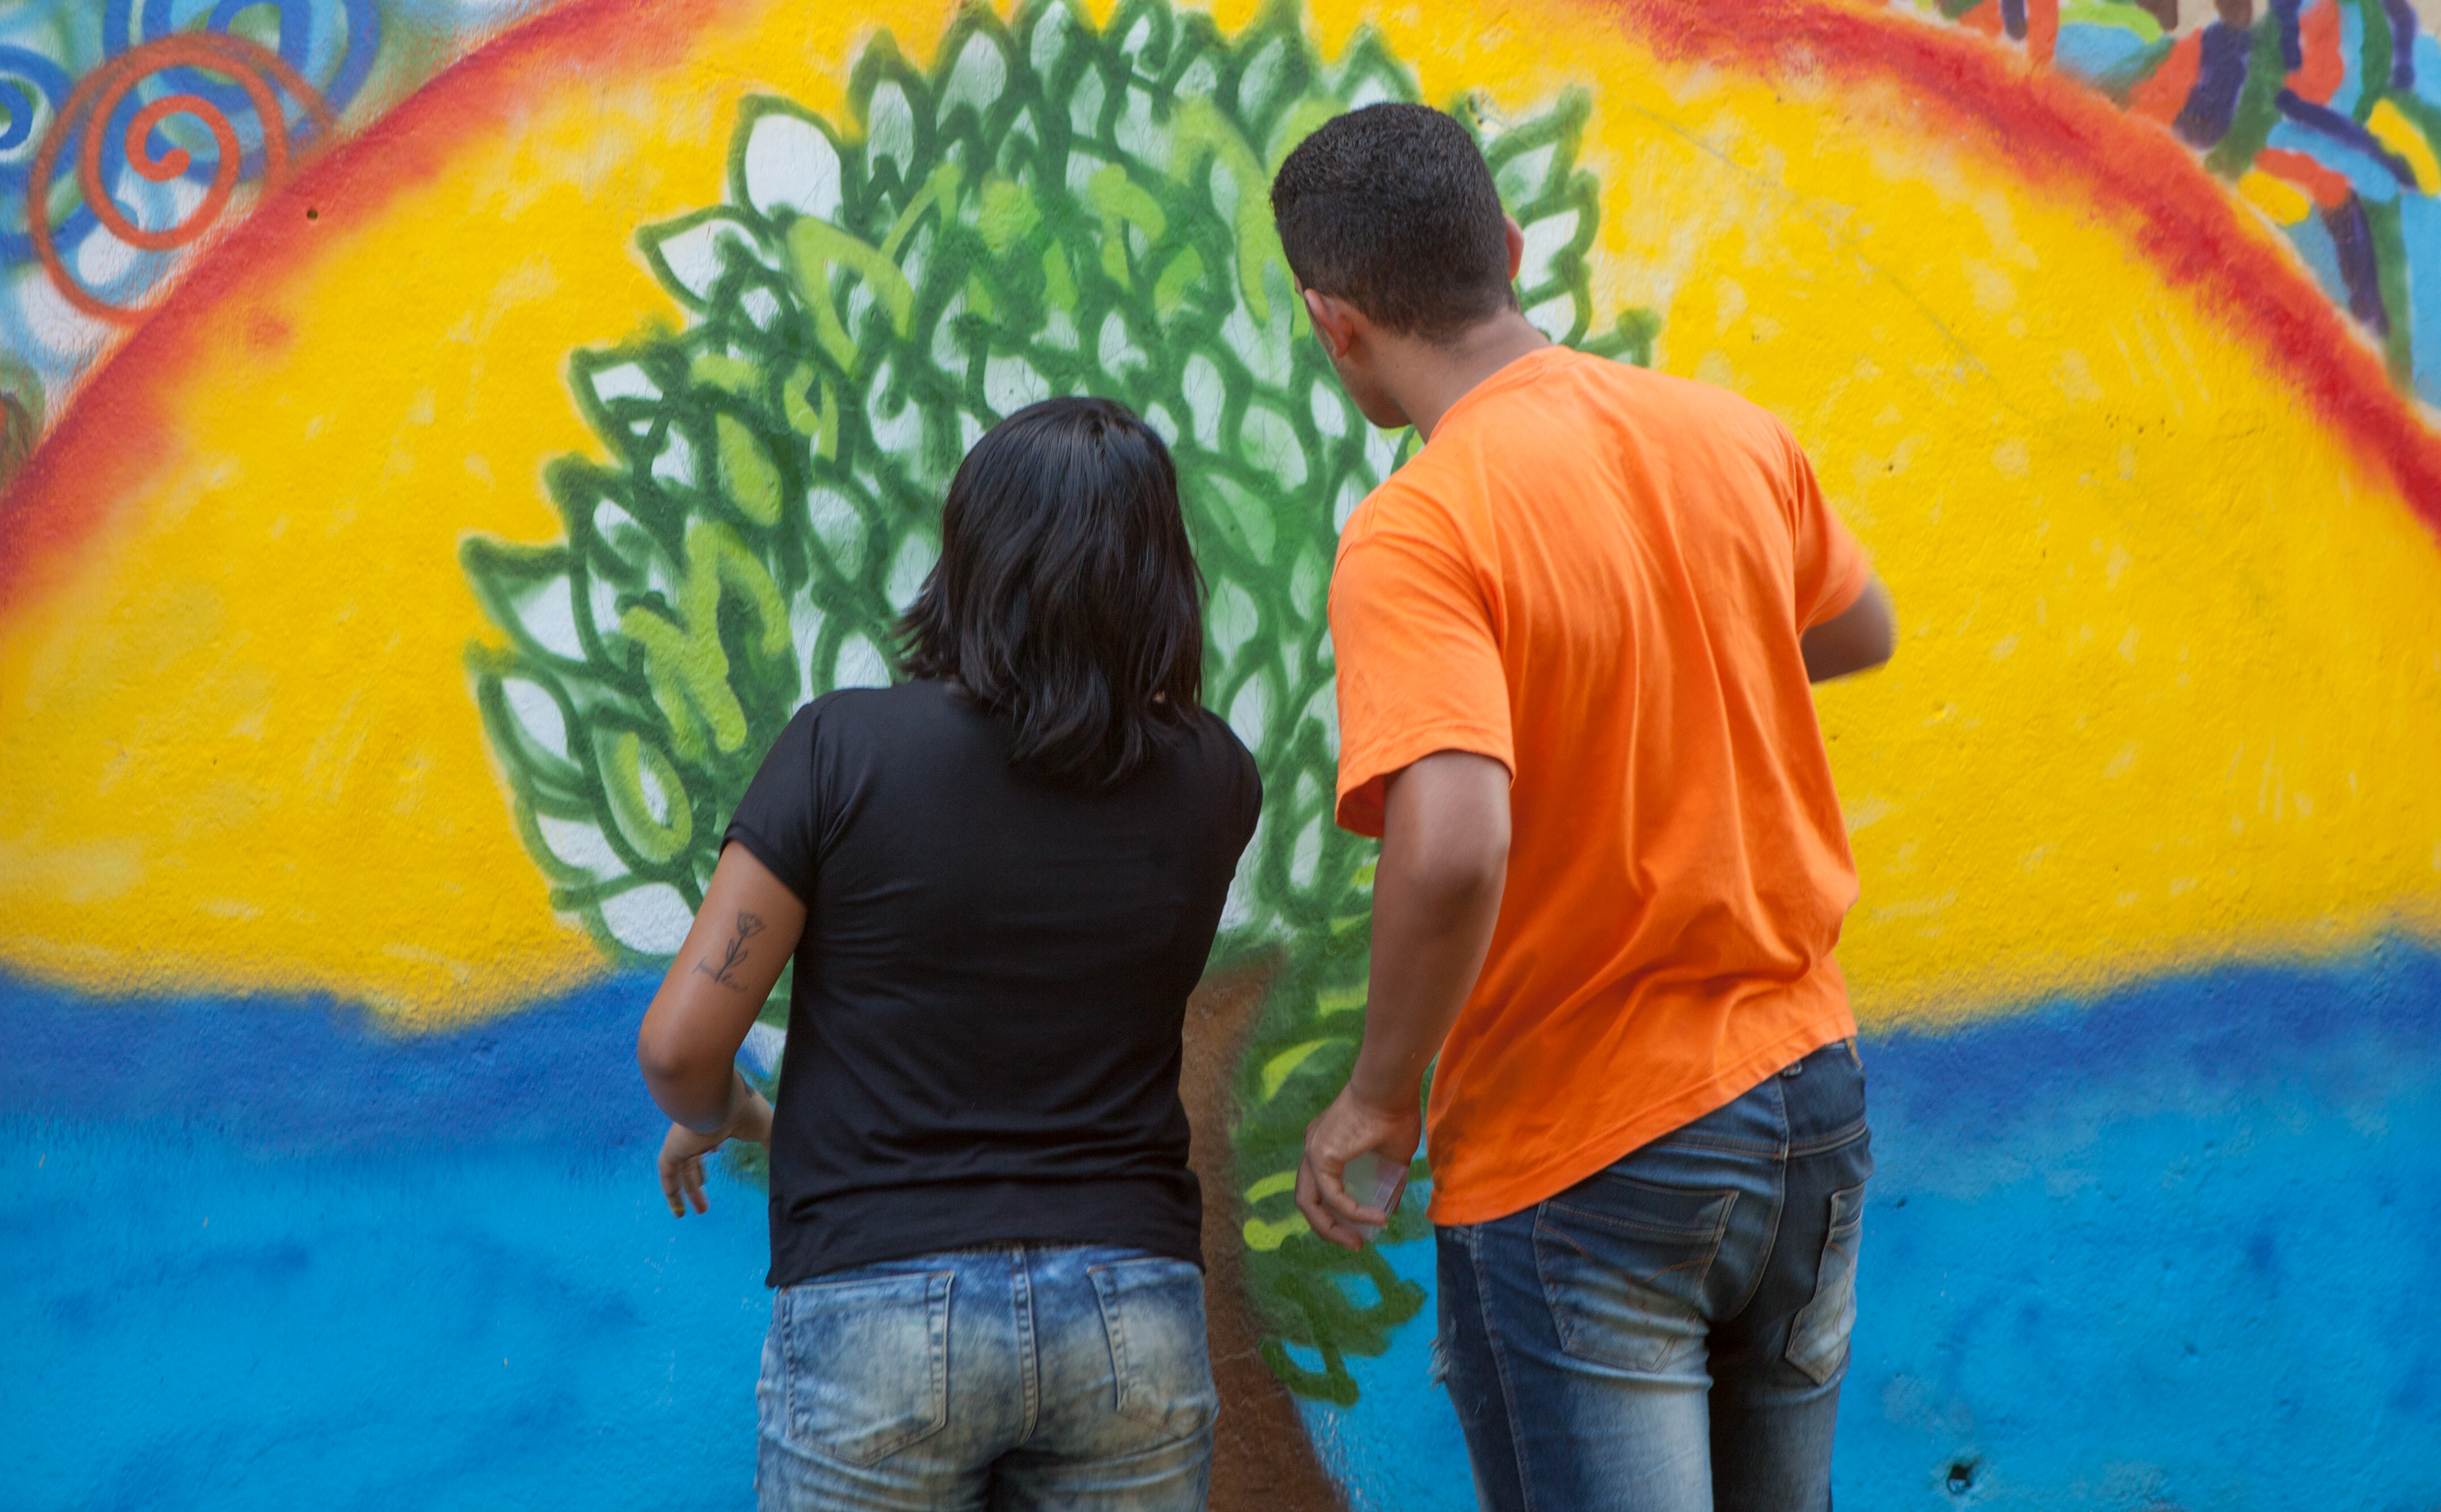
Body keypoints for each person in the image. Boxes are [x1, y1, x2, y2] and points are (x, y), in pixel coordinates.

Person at [1272, 103, 1897, 1512]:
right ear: (1505, 245)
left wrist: (1378, 1094)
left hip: (1585, 1138)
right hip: (1807, 1093)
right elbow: (1861, 628)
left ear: (1334, 323)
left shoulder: (1421, 527)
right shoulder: (1728, 433)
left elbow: (1453, 848)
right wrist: (1687, 653)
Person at [635, 396, 1262, 1512]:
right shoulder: (1216, 775)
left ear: (971, 557)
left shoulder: (840, 748)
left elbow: (680, 1048)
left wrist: (728, 1109)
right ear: (1160, 571)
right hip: (1131, 1307)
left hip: (878, 1304)